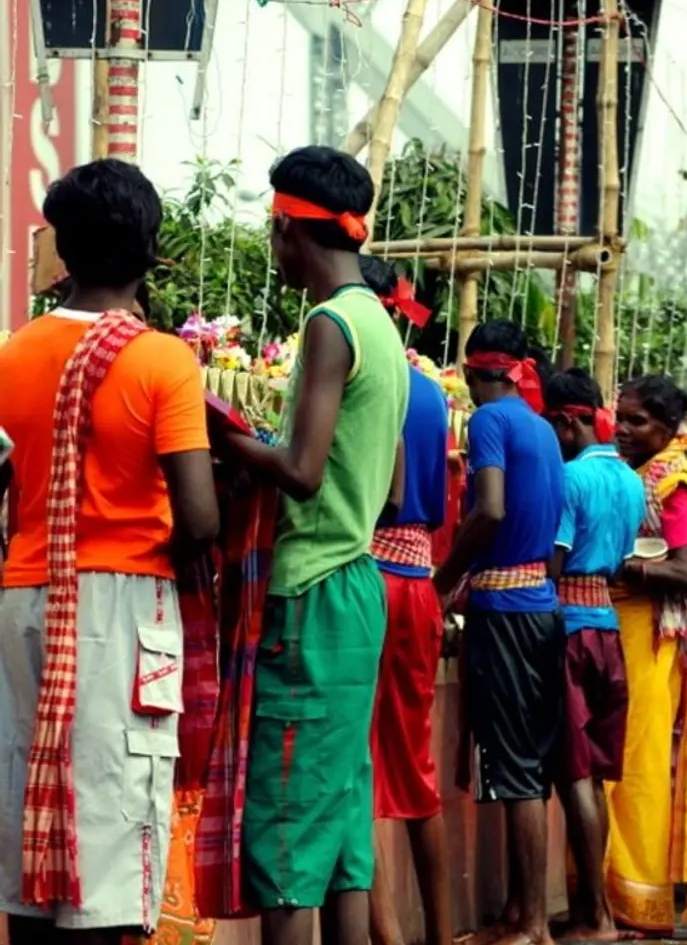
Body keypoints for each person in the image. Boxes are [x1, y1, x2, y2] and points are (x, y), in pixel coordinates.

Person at [0, 159, 219, 942]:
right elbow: (198, 519)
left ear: (62, 249)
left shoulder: (14, 352)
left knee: (33, 815)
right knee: (114, 831)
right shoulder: (162, 359)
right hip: (122, 607)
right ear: (152, 250)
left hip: (25, 596)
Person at [210, 146, 410, 945]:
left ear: (292, 230)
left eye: (273, 229)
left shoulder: (329, 326)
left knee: (290, 822)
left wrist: (218, 434)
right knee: (339, 825)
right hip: (357, 583)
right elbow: (391, 490)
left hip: (313, 592)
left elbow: (298, 471)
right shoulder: (382, 326)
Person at [431, 319, 564, 945]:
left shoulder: (490, 421)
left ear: (474, 373)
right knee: (527, 765)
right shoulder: (541, 426)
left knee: (515, 770)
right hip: (539, 602)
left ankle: (531, 922)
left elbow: (489, 508)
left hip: (505, 607)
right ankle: (520, 912)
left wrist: (442, 576)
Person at [606, 375, 687, 937]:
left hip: (648, 636)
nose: (624, 430)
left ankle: (642, 901)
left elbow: (686, 571)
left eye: (637, 422)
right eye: (621, 418)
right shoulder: (639, 474)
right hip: (631, 631)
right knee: (623, 765)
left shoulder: (673, 482)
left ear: (666, 428)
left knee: (637, 769)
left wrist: (615, 566)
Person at [355, 256, 453, 945]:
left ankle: (386, 934)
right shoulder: (434, 395)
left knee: (354, 761)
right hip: (419, 581)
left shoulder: (366, 373)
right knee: (417, 768)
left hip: (368, 574)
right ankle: (442, 932)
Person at [542, 368, 645, 942]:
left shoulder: (570, 478)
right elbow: (623, 554)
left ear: (570, 419)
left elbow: (555, 563)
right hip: (609, 625)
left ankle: (597, 915)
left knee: (573, 774)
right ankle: (591, 908)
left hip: (572, 628)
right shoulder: (630, 481)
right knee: (597, 776)